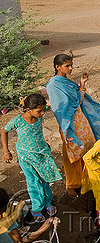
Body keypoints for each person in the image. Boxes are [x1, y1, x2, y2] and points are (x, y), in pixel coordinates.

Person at [46, 54, 100, 198]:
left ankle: (86, 181)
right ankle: (71, 184)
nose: (70, 68)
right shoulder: (54, 84)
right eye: (67, 66)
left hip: (80, 121)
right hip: (68, 124)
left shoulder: (66, 81)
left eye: (71, 65)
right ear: (57, 67)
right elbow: (59, 109)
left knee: (86, 150)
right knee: (71, 154)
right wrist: (65, 129)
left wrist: (82, 83)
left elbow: (78, 100)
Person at [1, 94, 62, 223]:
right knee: (33, 182)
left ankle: (47, 203)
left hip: (41, 153)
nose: (42, 113)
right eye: (39, 111)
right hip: (26, 157)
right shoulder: (18, 120)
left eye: (43, 110)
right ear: (28, 110)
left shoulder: (38, 118)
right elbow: (4, 131)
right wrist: (6, 151)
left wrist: (44, 144)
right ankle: (36, 209)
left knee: (45, 179)